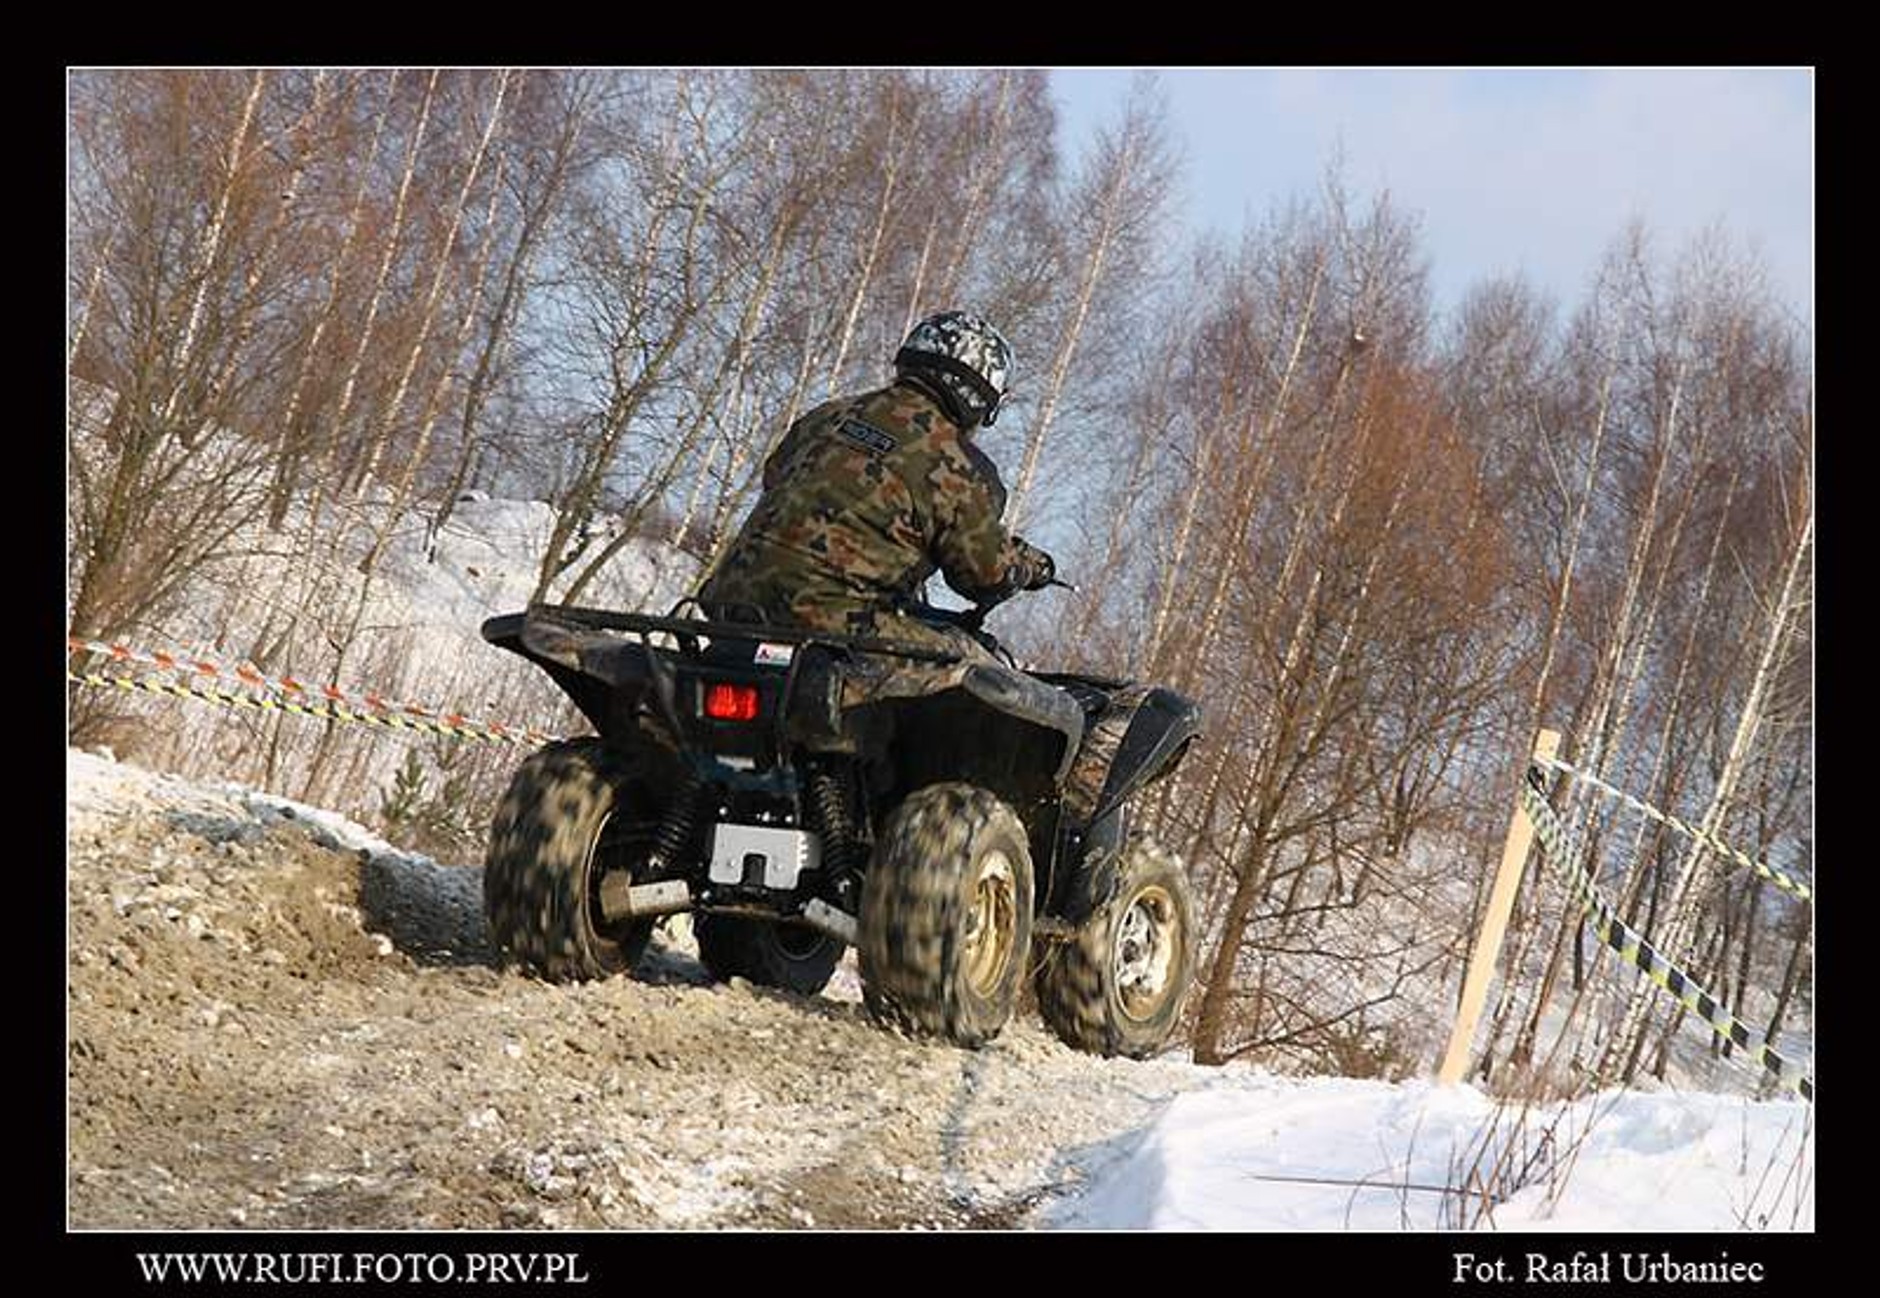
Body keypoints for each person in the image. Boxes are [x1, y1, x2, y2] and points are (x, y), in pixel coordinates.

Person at [696, 310, 1056, 659]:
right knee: (971, 660)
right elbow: (985, 576)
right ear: (980, 394)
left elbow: (774, 476)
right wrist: (1029, 567)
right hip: (832, 628)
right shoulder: (961, 466)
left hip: (730, 602)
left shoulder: (828, 415)